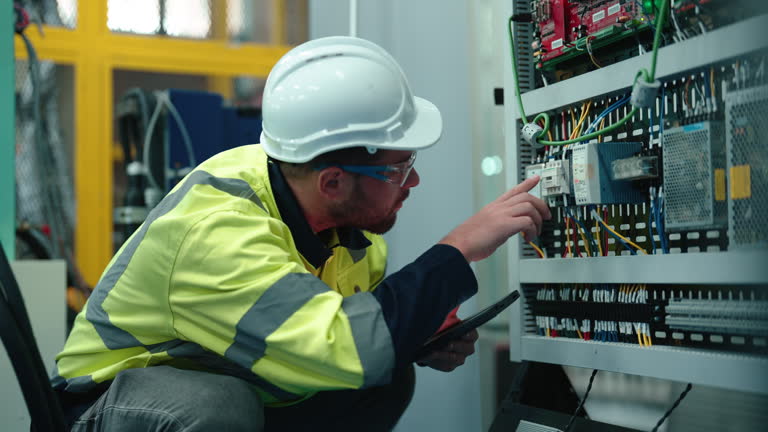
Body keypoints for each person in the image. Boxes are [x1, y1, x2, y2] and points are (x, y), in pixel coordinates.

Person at [52, 36, 550, 431]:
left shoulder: (350, 231)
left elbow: (345, 338)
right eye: (400, 168)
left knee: (382, 378)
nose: (413, 182)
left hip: (231, 381)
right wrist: (459, 248)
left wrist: (419, 334)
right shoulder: (216, 232)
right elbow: (349, 344)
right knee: (217, 407)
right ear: (332, 182)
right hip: (105, 406)